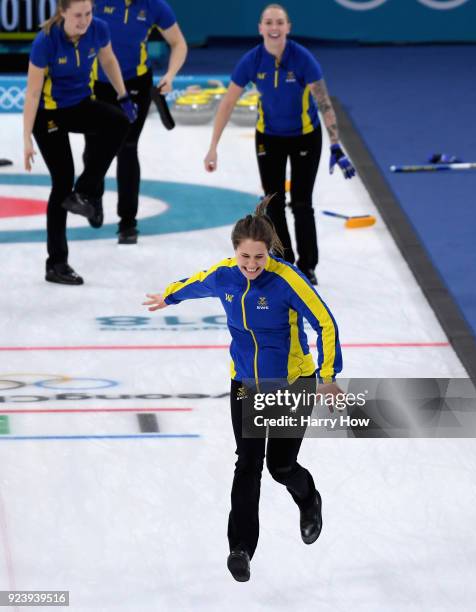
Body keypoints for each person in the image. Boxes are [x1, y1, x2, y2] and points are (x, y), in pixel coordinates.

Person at [143, 197, 343, 582]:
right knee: (248, 464)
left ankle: (308, 498)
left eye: (259, 257)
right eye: (244, 257)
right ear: (234, 252)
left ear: (270, 253)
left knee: (280, 466)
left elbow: (325, 322)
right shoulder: (226, 275)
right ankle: (240, 549)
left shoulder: (287, 281)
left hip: (291, 382)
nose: (251, 265)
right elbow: (195, 284)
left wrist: (328, 374)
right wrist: (168, 295)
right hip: (244, 384)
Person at [204, 3, 355, 286]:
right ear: (260, 28)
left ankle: (308, 267)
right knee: (273, 203)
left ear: (288, 28)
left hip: (305, 136)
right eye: (269, 23)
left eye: (279, 23)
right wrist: (213, 146)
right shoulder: (251, 61)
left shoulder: (303, 59)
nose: (274, 28)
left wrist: (335, 144)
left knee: (301, 203)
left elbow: (324, 102)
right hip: (269, 137)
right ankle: (286, 264)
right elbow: (227, 102)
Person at [23, 0, 137, 285]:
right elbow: (33, 93)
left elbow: (109, 60)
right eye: (77, 15)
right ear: (62, 13)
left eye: (88, 14)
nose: (84, 20)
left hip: (80, 105)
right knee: (61, 183)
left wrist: (123, 96)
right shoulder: (45, 41)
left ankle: (86, 192)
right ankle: (56, 264)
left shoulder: (98, 29)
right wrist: (26, 138)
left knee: (119, 122)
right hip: (48, 115)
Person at [85, 0, 187, 244]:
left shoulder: (154, 6)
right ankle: (94, 195)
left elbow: (178, 43)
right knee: (94, 148)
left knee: (128, 147)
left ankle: (128, 223)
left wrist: (170, 75)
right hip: (98, 83)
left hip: (135, 83)